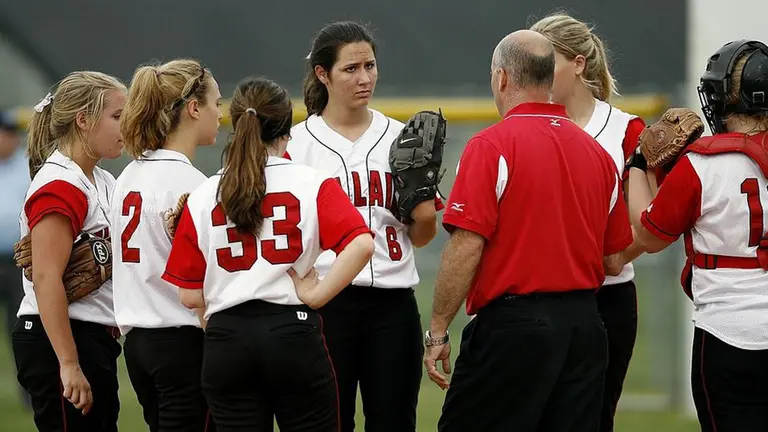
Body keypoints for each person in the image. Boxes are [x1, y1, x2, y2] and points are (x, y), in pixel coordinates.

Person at [423, 30, 642, 432]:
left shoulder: (491, 145)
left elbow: (467, 246)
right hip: (584, 328)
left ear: (503, 78)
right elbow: (613, 261)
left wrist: (437, 330)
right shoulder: (599, 154)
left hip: (514, 328)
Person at [161, 76, 375, 432]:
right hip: (292, 334)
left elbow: (188, 294)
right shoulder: (312, 182)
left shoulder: (203, 193)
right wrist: (318, 293)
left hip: (227, 340)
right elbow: (362, 243)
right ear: (286, 129)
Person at [285, 20, 442, 432]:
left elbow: (422, 237)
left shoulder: (402, 139)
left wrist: (424, 214)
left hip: (392, 305)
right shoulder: (296, 146)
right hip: (325, 303)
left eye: (370, 66)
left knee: (394, 423)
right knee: (329, 424)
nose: (364, 78)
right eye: (350, 69)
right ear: (323, 73)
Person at [628, 39, 768, 432]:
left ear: (725, 98)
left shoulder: (702, 164)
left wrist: (639, 164)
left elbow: (650, 236)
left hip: (727, 332)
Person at [530, 14, 646, 430]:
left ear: (579, 63)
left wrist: (611, 256)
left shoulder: (625, 129)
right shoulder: (529, 124)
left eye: (550, 60)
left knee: (594, 418)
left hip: (606, 296)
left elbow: (647, 223)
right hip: (541, 296)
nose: (540, 72)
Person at [111, 59, 221, 432]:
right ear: (193, 108)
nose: (219, 114)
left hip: (138, 344)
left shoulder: (128, 174)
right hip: (182, 340)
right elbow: (207, 275)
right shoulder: (192, 183)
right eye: (215, 104)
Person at [11, 71, 126, 432]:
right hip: (59, 339)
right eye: (117, 116)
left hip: (90, 336)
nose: (127, 124)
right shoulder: (61, 184)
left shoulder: (102, 179)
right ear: (83, 119)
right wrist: (69, 363)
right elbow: (46, 278)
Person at [0, 109, 32, 408]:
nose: (6, 139)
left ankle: (28, 392)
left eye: (10, 134)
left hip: (16, 260)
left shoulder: (25, 166)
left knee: (20, 326)